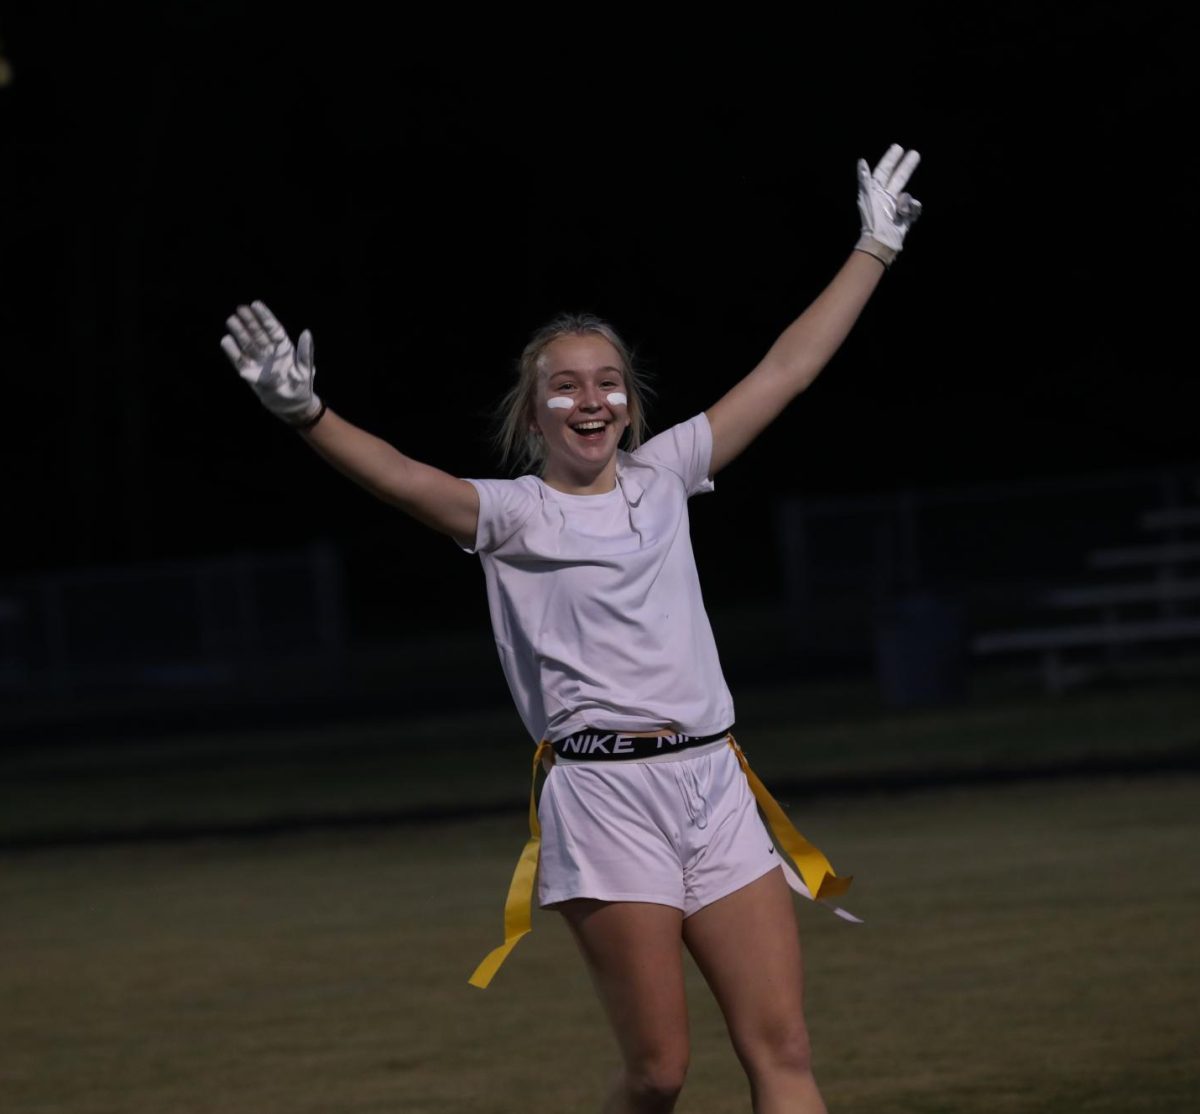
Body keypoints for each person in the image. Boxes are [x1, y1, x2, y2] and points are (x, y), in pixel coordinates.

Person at [222, 143, 921, 1114]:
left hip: (715, 783)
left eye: (607, 381)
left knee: (785, 1047)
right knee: (659, 1072)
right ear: (535, 409)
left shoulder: (667, 472)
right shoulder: (508, 514)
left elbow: (790, 368)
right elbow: (395, 474)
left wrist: (875, 248)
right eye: (566, 384)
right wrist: (306, 415)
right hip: (602, 797)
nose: (590, 398)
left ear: (628, 400)